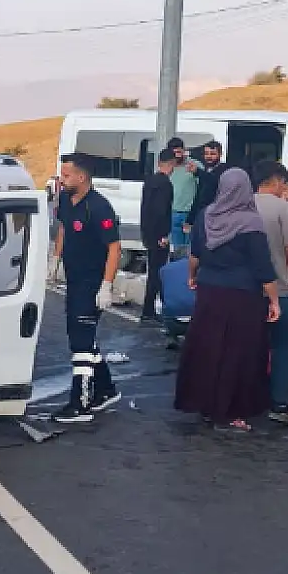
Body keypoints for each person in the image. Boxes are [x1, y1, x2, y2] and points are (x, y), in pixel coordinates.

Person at [175, 167, 280, 433]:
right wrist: (274, 300)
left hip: (210, 291)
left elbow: (195, 253)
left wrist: (192, 277)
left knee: (207, 349)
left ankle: (206, 405)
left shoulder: (206, 216)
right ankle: (231, 411)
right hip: (242, 296)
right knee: (238, 353)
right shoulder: (250, 222)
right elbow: (262, 267)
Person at [52, 152, 123, 423]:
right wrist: (55, 259)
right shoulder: (65, 199)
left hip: (91, 282)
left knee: (81, 342)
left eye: (67, 174)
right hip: (73, 277)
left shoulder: (99, 207)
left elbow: (114, 248)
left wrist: (106, 285)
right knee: (82, 337)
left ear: (82, 177)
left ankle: (80, 404)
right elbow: (64, 229)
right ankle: (106, 389)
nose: (62, 178)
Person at [253, 160, 288, 427]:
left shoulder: (243, 205)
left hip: (248, 289)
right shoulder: (284, 209)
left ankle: (248, 398)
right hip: (281, 288)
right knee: (283, 346)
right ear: (275, 181)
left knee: (251, 345)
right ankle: (279, 402)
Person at [139, 148, 176, 323]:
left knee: (153, 272)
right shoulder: (165, 184)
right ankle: (150, 310)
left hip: (148, 233)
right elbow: (161, 211)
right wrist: (163, 235)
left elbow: (146, 209)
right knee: (157, 273)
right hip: (159, 236)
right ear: (171, 164)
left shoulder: (150, 180)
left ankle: (152, 308)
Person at [168, 137, 200, 254]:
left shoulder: (195, 165)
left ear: (184, 150)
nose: (177, 155)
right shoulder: (168, 167)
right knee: (176, 249)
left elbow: (202, 189)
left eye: (179, 152)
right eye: (174, 152)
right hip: (173, 213)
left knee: (190, 250)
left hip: (190, 214)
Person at [186, 139, 226, 232]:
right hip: (201, 216)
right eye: (207, 153)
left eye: (212, 154)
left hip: (216, 217)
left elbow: (214, 181)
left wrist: (198, 172)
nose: (209, 156)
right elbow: (198, 196)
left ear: (220, 154)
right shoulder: (205, 170)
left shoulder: (224, 169)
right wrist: (190, 220)